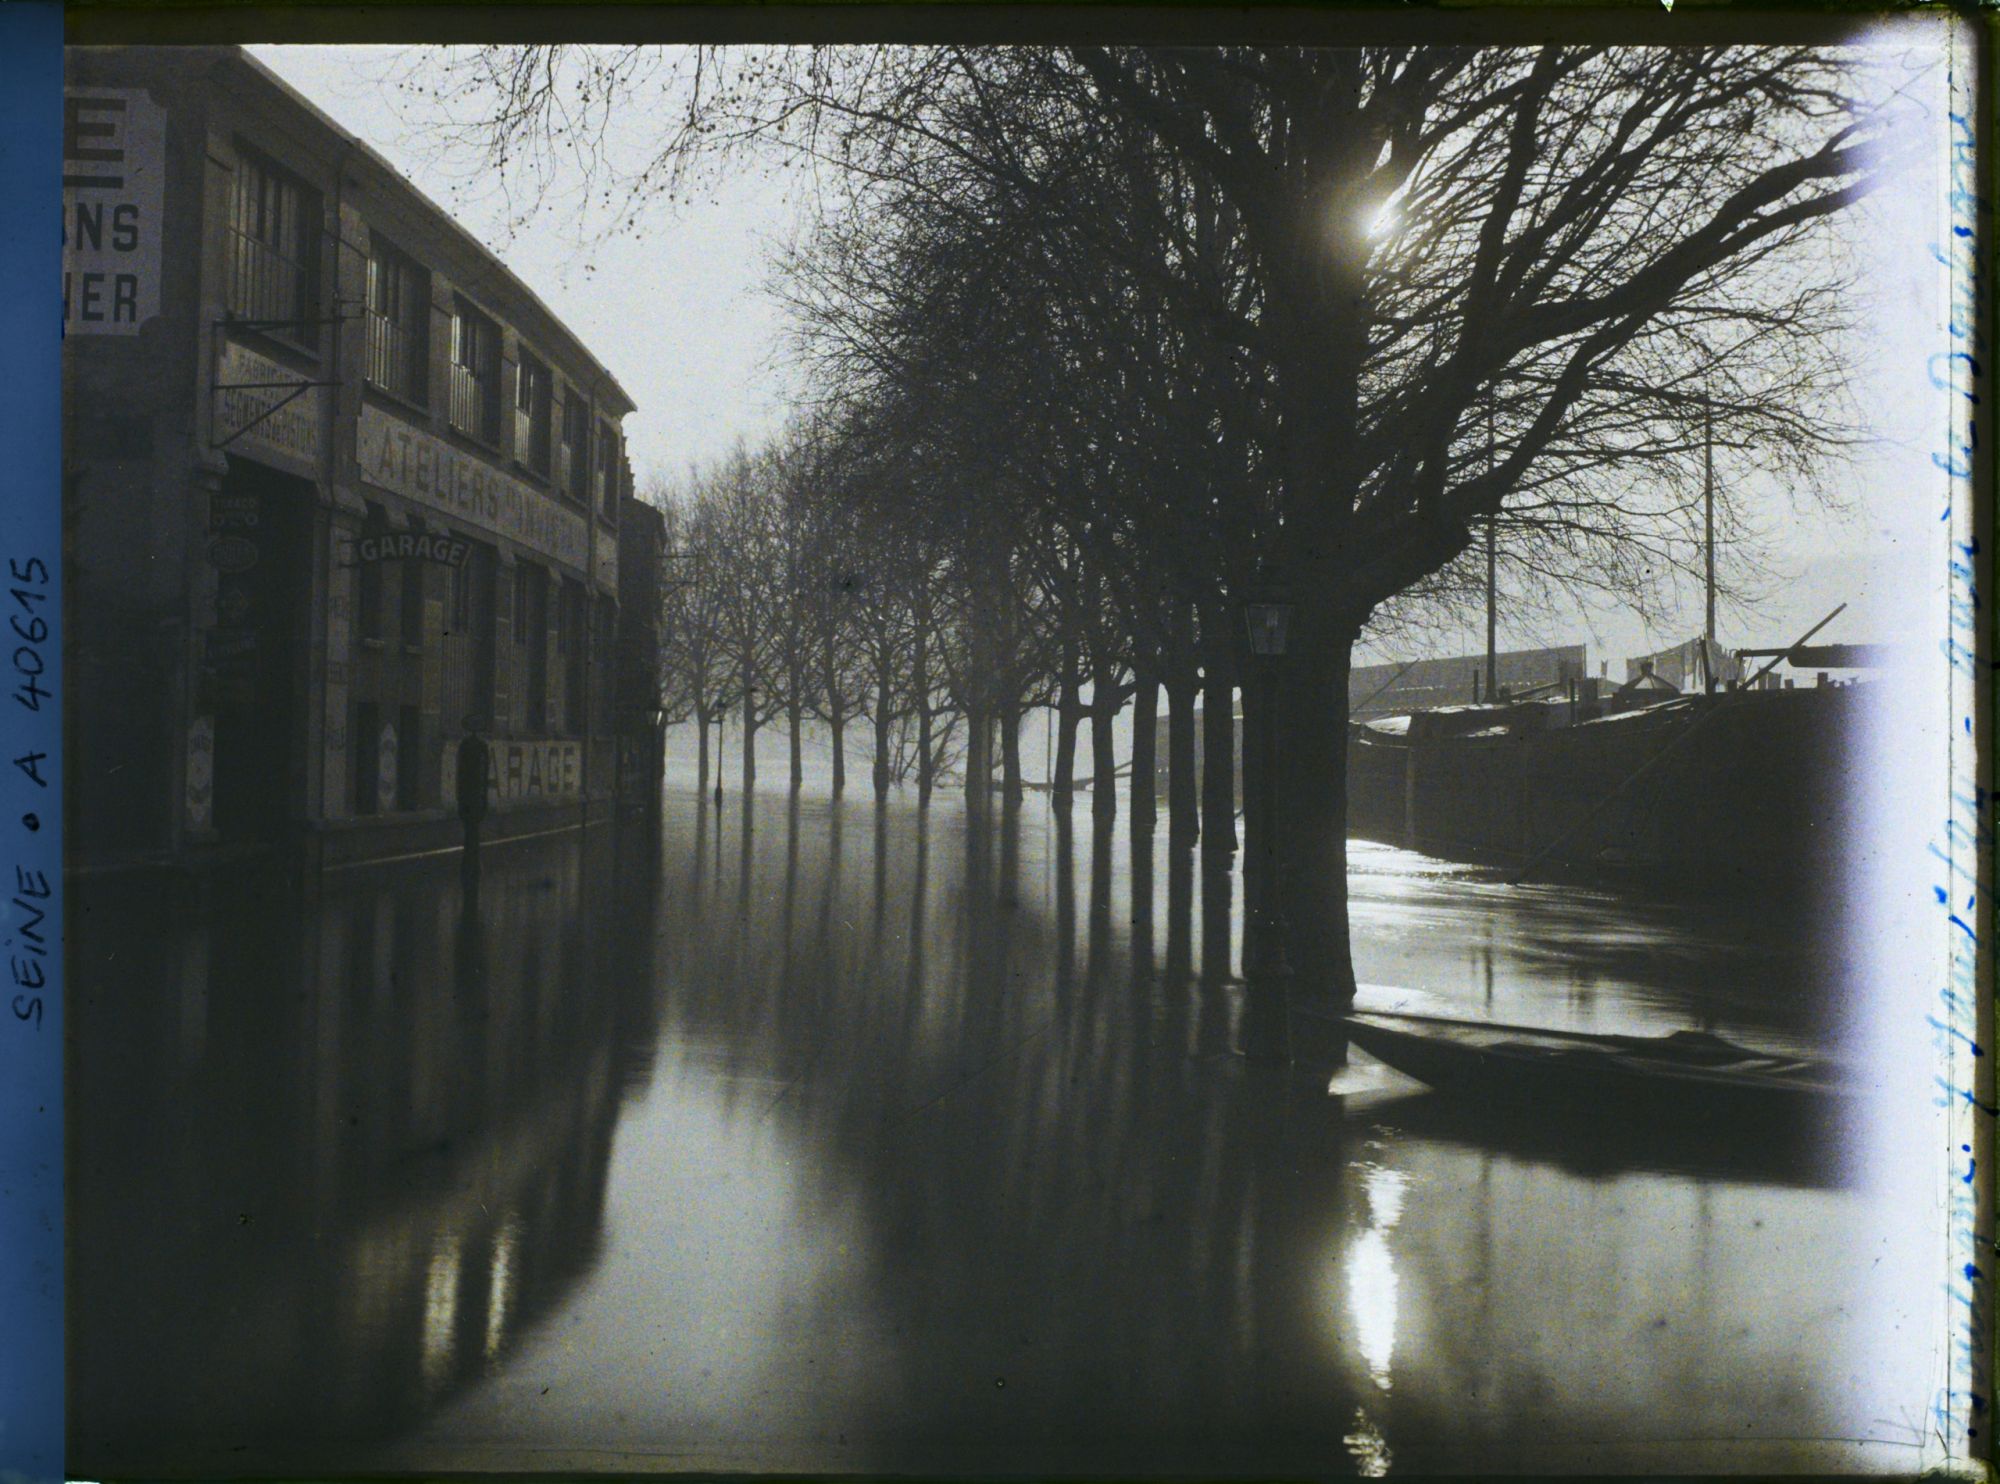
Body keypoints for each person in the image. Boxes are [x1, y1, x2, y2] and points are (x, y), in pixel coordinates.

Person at [457, 718, 492, 891]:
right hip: (477, 796)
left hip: (465, 795)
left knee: (468, 831)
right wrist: (485, 799)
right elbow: (485, 775)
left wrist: (459, 798)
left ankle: (466, 864)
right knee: (475, 831)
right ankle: (474, 865)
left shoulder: (463, 746)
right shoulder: (482, 747)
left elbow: (460, 774)